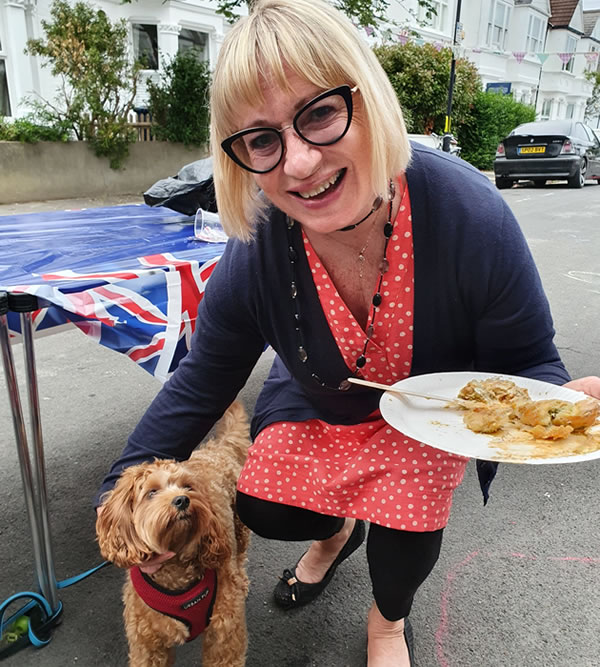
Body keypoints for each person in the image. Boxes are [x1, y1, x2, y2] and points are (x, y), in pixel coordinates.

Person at [96, 1, 600, 664]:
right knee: (265, 505)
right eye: (261, 138)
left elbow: (527, 361)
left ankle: (387, 620)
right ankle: (335, 534)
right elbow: (200, 381)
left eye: (321, 111)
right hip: (320, 398)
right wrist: (117, 489)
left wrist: (561, 405)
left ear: (369, 99)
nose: (300, 162)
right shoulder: (256, 253)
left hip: (427, 416)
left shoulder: (472, 218)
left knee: (406, 518)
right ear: (240, 157)